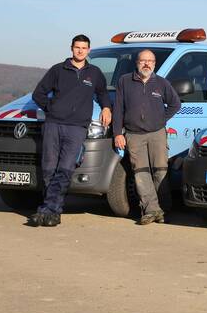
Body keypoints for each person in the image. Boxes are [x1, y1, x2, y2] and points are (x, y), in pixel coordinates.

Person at [30, 34, 111, 227]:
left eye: (84, 48)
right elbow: (38, 93)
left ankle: (47, 210)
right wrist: (52, 108)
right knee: (49, 169)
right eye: (77, 47)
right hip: (53, 125)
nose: (80, 51)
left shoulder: (95, 73)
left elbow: (102, 93)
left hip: (77, 128)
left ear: (89, 50)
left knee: (65, 170)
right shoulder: (58, 70)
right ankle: (53, 212)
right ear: (71, 49)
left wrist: (106, 107)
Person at [112, 49, 181, 225]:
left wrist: (161, 119)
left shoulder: (161, 83)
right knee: (141, 174)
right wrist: (117, 133)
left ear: (154, 64)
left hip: (157, 134)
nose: (146, 64)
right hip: (134, 135)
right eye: (143, 61)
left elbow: (175, 104)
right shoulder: (125, 81)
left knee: (160, 171)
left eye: (150, 61)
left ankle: (164, 208)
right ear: (137, 63)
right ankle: (151, 210)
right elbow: (118, 108)